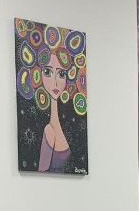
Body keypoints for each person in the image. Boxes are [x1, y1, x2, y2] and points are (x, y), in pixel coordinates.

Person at [15, 19, 87, 173]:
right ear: (37, 74)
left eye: (61, 74)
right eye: (47, 72)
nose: (55, 82)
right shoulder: (49, 130)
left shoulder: (58, 126)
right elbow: (42, 171)